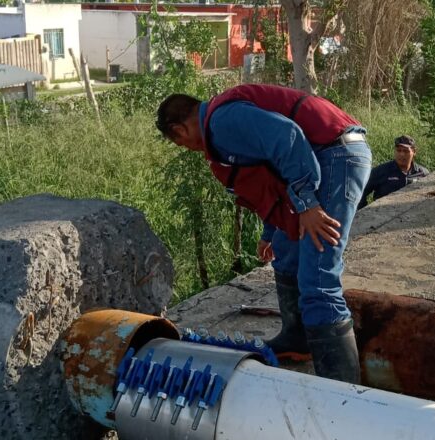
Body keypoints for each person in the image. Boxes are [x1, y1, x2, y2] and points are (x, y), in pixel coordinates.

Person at [155, 84, 371, 383]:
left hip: (335, 156)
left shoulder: (221, 122)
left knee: (318, 279)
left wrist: (308, 204)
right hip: (324, 156)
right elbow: (272, 171)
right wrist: (271, 231)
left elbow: (288, 137)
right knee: (286, 254)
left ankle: (343, 390)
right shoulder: (222, 121)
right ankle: (299, 339)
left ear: (180, 129)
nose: (187, 148)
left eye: (179, 142)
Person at [358, 135, 428, 209]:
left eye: (406, 151)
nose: (401, 154)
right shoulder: (380, 171)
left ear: (414, 152)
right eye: (399, 150)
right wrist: (364, 212)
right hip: (383, 216)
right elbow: (360, 192)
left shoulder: (422, 173)